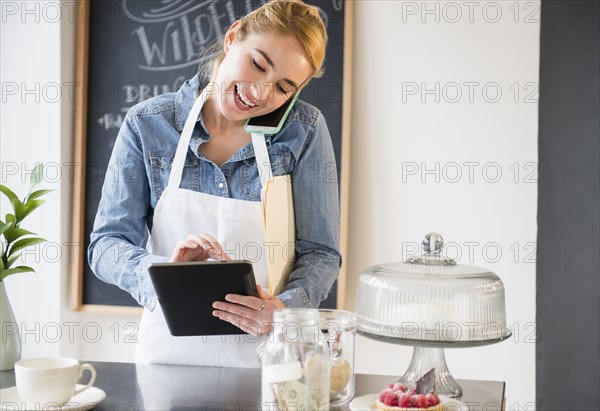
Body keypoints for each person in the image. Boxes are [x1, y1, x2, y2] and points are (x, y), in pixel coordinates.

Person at [88, 0, 341, 367]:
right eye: (257, 64)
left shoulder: (304, 130)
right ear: (233, 37)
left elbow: (322, 252)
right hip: (170, 361)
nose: (259, 93)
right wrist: (165, 279)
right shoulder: (148, 124)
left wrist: (282, 311)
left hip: (270, 363)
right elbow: (106, 244)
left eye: (283, 87)